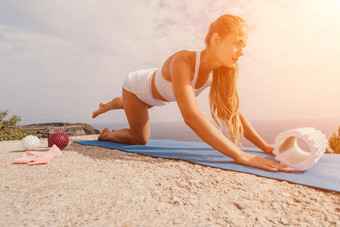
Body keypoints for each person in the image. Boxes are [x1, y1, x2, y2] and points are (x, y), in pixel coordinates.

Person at [92, 14, 294, 173]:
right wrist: (239, 155)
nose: (241, 51)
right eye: (237, 42)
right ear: (216, 39)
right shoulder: (183, 61)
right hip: (136, 87)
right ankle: (108, 133)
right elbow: (191, 116)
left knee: (141, 104)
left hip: (159, 96)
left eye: (244, 45)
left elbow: (233, 112)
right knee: (140, 139)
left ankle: (109, 105)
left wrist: (265, 146)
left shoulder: (219, 73)